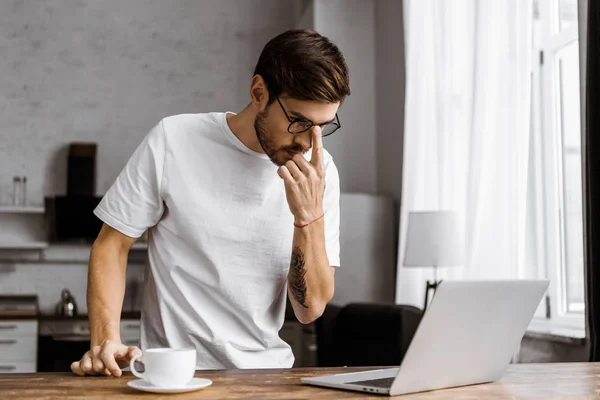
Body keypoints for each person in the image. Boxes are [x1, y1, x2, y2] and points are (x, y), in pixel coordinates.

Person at [71, 28, 350, 376]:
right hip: (173, 376)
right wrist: (105, 340)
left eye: (323, 126)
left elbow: (310, 309)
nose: (310, 143)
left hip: (265, 378)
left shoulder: (320, 175)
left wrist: (308, 218)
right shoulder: (174, 140)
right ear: (258, 92)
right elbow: (112, 244)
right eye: (299, 122)